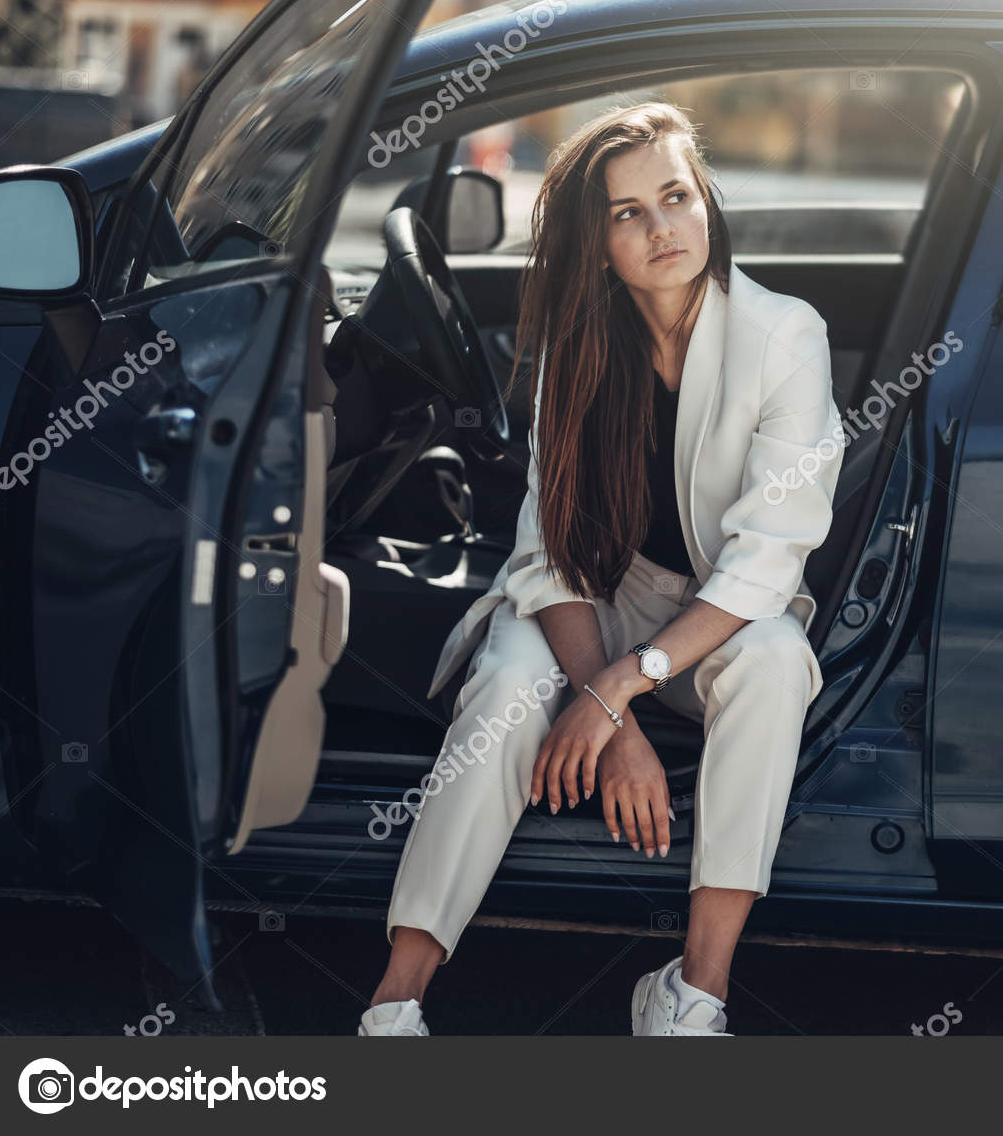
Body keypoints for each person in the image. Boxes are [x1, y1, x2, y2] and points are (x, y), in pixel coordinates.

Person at [358, 101, 843, 1036]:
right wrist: (611, 717)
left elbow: (766, 558)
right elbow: (549, 554)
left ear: (707, 198)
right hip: (592, 600)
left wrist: (623, 688)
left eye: (676, 194)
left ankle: (691, 993)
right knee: (505, 683)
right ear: (598, 242)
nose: (662, 227)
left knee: (777, 658)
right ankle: (397, 997)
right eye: (627, 212)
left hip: (711, 614)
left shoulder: (785, 335)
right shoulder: (579, 348)